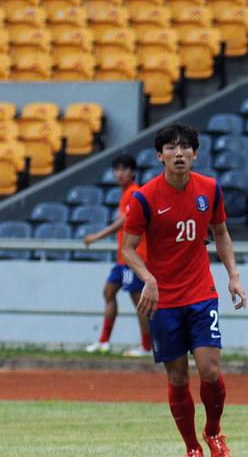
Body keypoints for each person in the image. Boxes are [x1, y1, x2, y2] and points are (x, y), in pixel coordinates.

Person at [121, 123, 246, 457]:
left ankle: (213, 432)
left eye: (185, 147)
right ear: (159, 156)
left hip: (201, 293)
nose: (179, 153)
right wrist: (148, 278)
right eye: (171, 148)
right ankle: (192, 447)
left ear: (195, 154)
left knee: (210, 369)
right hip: (164, 302)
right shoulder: (144, 198)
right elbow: (128, 249)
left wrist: (233, 276)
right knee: (177, 377)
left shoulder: (210, 189)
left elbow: (221, 233)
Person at [82, 153, 152, 357]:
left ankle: (147, 347)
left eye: (124, 169)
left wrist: (96, 237)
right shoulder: (126, 193)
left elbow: (124, 222)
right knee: (108, 292)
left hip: (135, 258)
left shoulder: (135, 192)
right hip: (123, 259)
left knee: (139, 302)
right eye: (117, 169)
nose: (120, 173)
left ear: (133, 172)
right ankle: (104, 342)